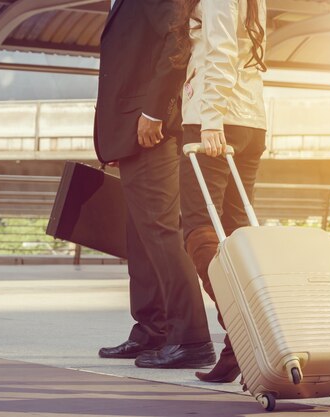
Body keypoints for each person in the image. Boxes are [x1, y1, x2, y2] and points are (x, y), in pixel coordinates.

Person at [95, 0, 215, 369]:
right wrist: (116, 133)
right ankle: (153, 328)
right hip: (130, 128)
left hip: (153, 127)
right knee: (141, 235)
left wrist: (152, 112)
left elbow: (175, 44)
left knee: (162, 232)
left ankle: (192, 338)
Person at [173, 0, 268, 381]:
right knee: (239, 234)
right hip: (251, 121)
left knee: (198, 232)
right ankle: (238, 350)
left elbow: (220, 49)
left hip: (215, 121)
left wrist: (211, 119)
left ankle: (251, 330)